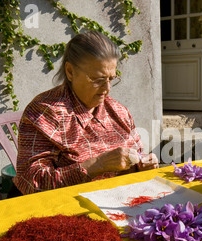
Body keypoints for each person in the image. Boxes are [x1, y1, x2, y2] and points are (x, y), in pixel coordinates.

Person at [12, 31, 158, 195]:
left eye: (111, 79)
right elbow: (31, 182)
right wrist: (97, 165)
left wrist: (143, 163)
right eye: (97, 79)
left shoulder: (118, 111)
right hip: (69, 210)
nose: (107, 89)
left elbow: (138, 153)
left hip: (121, 199)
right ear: (70, 72)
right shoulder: (46, 112)